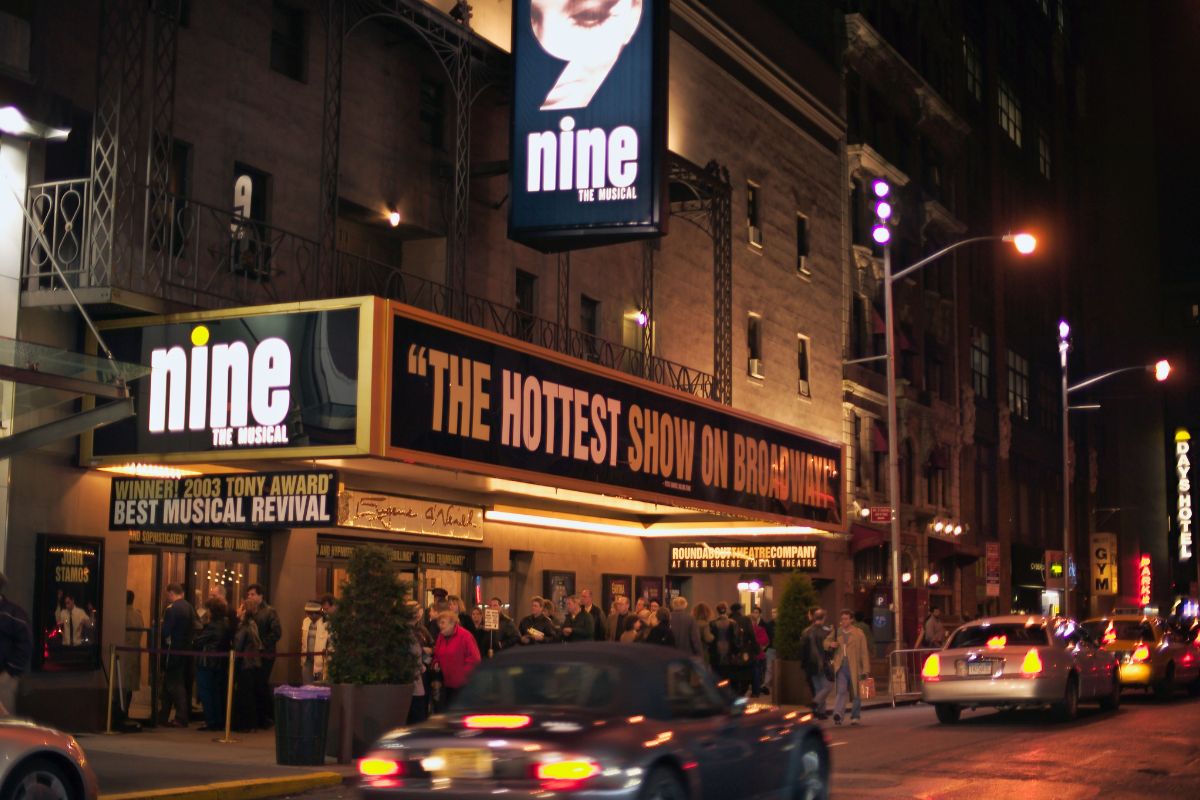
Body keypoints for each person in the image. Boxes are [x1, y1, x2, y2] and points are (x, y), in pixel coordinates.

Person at [824, 609, 871, 726]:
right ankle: (838, 714)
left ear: (851, 620)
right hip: (841, 667)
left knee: (856, 693)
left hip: (855, 667)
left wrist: (866, 669)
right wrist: (830, 644)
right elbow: (825, 642)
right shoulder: (837, 632)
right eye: (842, 619)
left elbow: (864, 652)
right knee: (841, 691)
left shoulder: (859, 633)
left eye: (846, 619)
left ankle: (855, 716)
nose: (843, 621)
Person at [243, 584, 281, 729]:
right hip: (254, 655)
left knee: (261, 684)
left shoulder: (270, 612)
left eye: (253, 594)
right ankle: (261, 717)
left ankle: (268, 716)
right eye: (248, 594)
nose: (250, 597)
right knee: (256, 685)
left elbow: (276, 632)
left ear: (260, 596)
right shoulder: (251, 611)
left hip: (265, 655)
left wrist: (262, 645)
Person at [194, 597, 233, 731]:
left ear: (212, 611)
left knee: (206, 692)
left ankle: (210, 721)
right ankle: (218, 720)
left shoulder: (212, 626)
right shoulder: (226, 624)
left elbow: (198, 642)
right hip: (220, 663)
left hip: (207, 663)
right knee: (216, 693)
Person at [158, 583, 194, 727]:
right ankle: (163, 714)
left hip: (172, 651)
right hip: (186, 650)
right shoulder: (189, 607)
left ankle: (181, 716)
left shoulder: (172, 609)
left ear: (171, 593)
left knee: (175, 684)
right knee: (169, 683)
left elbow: (166, 631)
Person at [432, 610, 481, 708]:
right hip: (446, 683)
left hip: (462, 685)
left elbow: (475, 659)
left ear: (452, 623)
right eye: (439, 623)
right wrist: (436, 663)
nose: (440, 626)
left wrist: (461, 675)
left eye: (443, 623)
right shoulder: (441, 636)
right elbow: (437, 654)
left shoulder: (465, 636)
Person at [0, 571, 32, 716]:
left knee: (4, 724)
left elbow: (25, 645)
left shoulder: (14, 613)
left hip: (4, 678)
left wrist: (9, 672)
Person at [231, 609, 262, 732]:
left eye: (240, 609)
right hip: (252, 663)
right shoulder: (253, 625)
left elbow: (238, 646)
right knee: (249, 695)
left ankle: (244, 725)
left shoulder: (243, 628)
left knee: (243, 695)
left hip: (244, 664)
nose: (237, 610)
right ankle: (252, 724)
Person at [802, 608, 834, 719]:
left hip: (810, 664)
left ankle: (821, 712)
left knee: (818, 688)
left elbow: (802, 650)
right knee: (827, 687)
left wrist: (804, 664)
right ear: (824, 618)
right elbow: (829, 648)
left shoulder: (806, 631)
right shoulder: (826, 631)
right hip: (822, 663)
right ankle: (815, 703)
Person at [408, 607, 435, 724]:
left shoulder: (421, 629)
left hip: (419, 674)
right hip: (413, 678)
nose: (419, 615)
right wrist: (421, 666)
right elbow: (414, 653)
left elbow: (431, 644)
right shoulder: (408, 632)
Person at [728, 603, 760, 696]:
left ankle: (733, 691)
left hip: (730, 652)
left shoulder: (728, 620)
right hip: (744, 650)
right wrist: (757, 649)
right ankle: (741, 691)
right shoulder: (745, 620)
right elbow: (752, 635)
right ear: (740, 610)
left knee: (732, 673)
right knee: (745, 672)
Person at [121, 590, 145, 716]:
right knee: (129, 686)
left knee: (121, 684)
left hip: (123, 653)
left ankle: (121, 712)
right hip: (135, 652)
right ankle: (126, 711)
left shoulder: (121, 614)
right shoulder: (138, 614)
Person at [300, 600, 329, 683]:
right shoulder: (305, 621)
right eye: (309, 613)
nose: (311, 616)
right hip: (307, 658)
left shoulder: (326, 623)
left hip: (320, 659)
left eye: (314, 613)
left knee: (320, 683)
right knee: (306, 682)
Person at [751, 608, 770, 697]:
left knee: (756, 673)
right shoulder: (758, 629)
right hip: (758, 654)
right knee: (756, 673)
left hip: (757, 655)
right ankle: (756, 691)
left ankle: (756, 691)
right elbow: (765, 640)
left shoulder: (759, 629)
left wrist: (756, 643)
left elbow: (766, 640)